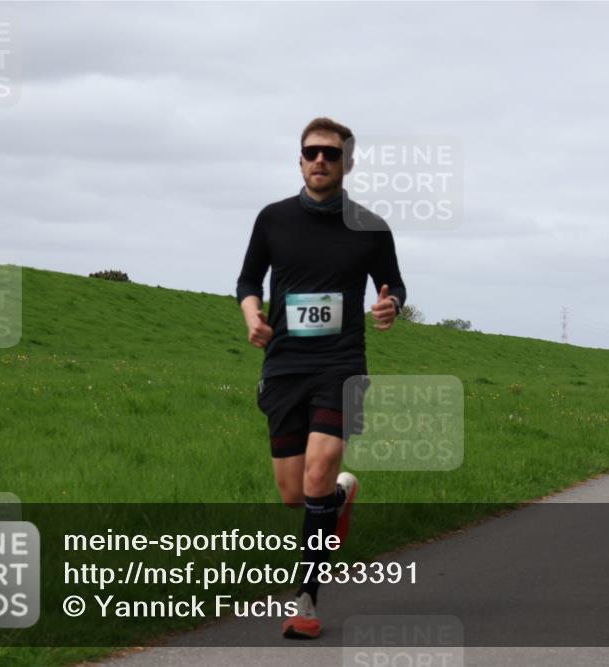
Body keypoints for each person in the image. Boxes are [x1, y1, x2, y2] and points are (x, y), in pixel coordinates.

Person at [236, 117, 406, 639]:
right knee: (294, 493)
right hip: (285, 366)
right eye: (311, 152)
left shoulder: (370, 227)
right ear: (300, 158)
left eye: (331, 154)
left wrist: (390, 304)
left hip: (342, 365)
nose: (319, 161)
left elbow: (393, 282)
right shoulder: (273, 220)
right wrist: (253, 316)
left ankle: (305, 601)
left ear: (347, 163)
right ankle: (339, 497)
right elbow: (248, 279)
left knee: (316, 472)